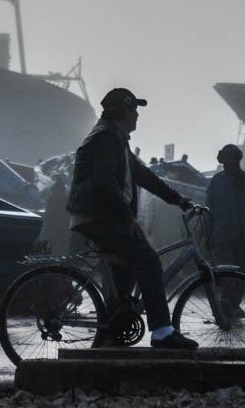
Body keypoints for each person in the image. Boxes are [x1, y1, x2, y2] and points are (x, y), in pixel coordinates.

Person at [67, 87, 199, 350]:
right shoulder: (105, 138)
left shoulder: (116, 139)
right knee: (148, 260)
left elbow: (144, 176)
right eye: (132, 109)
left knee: (126, 270)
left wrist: (179, 200)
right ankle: (162, 332)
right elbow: (104, 183)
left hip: (102, 215)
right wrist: (128, 217)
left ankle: (114, 332)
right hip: (98, 216)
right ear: (119, 111)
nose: (136, 115)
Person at [205, 143, 245, 315]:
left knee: (240, 271)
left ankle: (233, 303)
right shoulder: (219, 181)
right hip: (224, 234)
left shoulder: (243, 180)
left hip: (243, 233)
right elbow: (209, 209)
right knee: (230, 270)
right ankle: (228, 302)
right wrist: (208, 234)